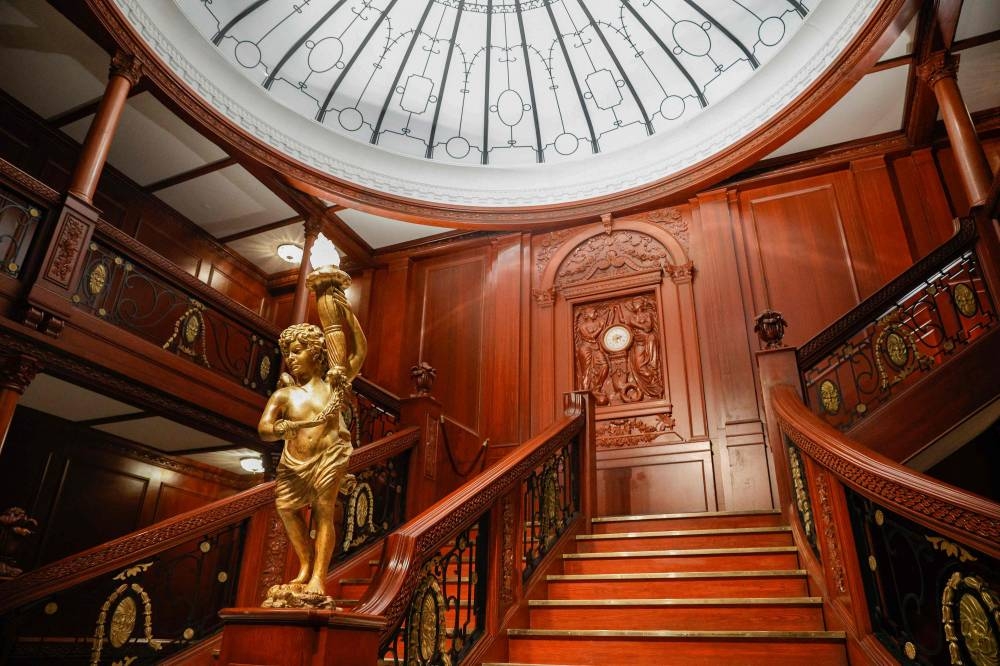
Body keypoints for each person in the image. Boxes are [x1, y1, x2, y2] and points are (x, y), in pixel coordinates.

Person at [258, 322, 355, 597]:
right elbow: (264, 428)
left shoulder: (333, 388)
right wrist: (280, 429)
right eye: (287, 353)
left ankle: (318, 578)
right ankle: (306, 564)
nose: (290, 358)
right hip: (294, 462)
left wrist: (346, 317)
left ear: (315, 352)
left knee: (324, 511)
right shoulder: (284, 395)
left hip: (328, 456)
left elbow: (359, 352)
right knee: (286, 507)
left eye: (297, 351)